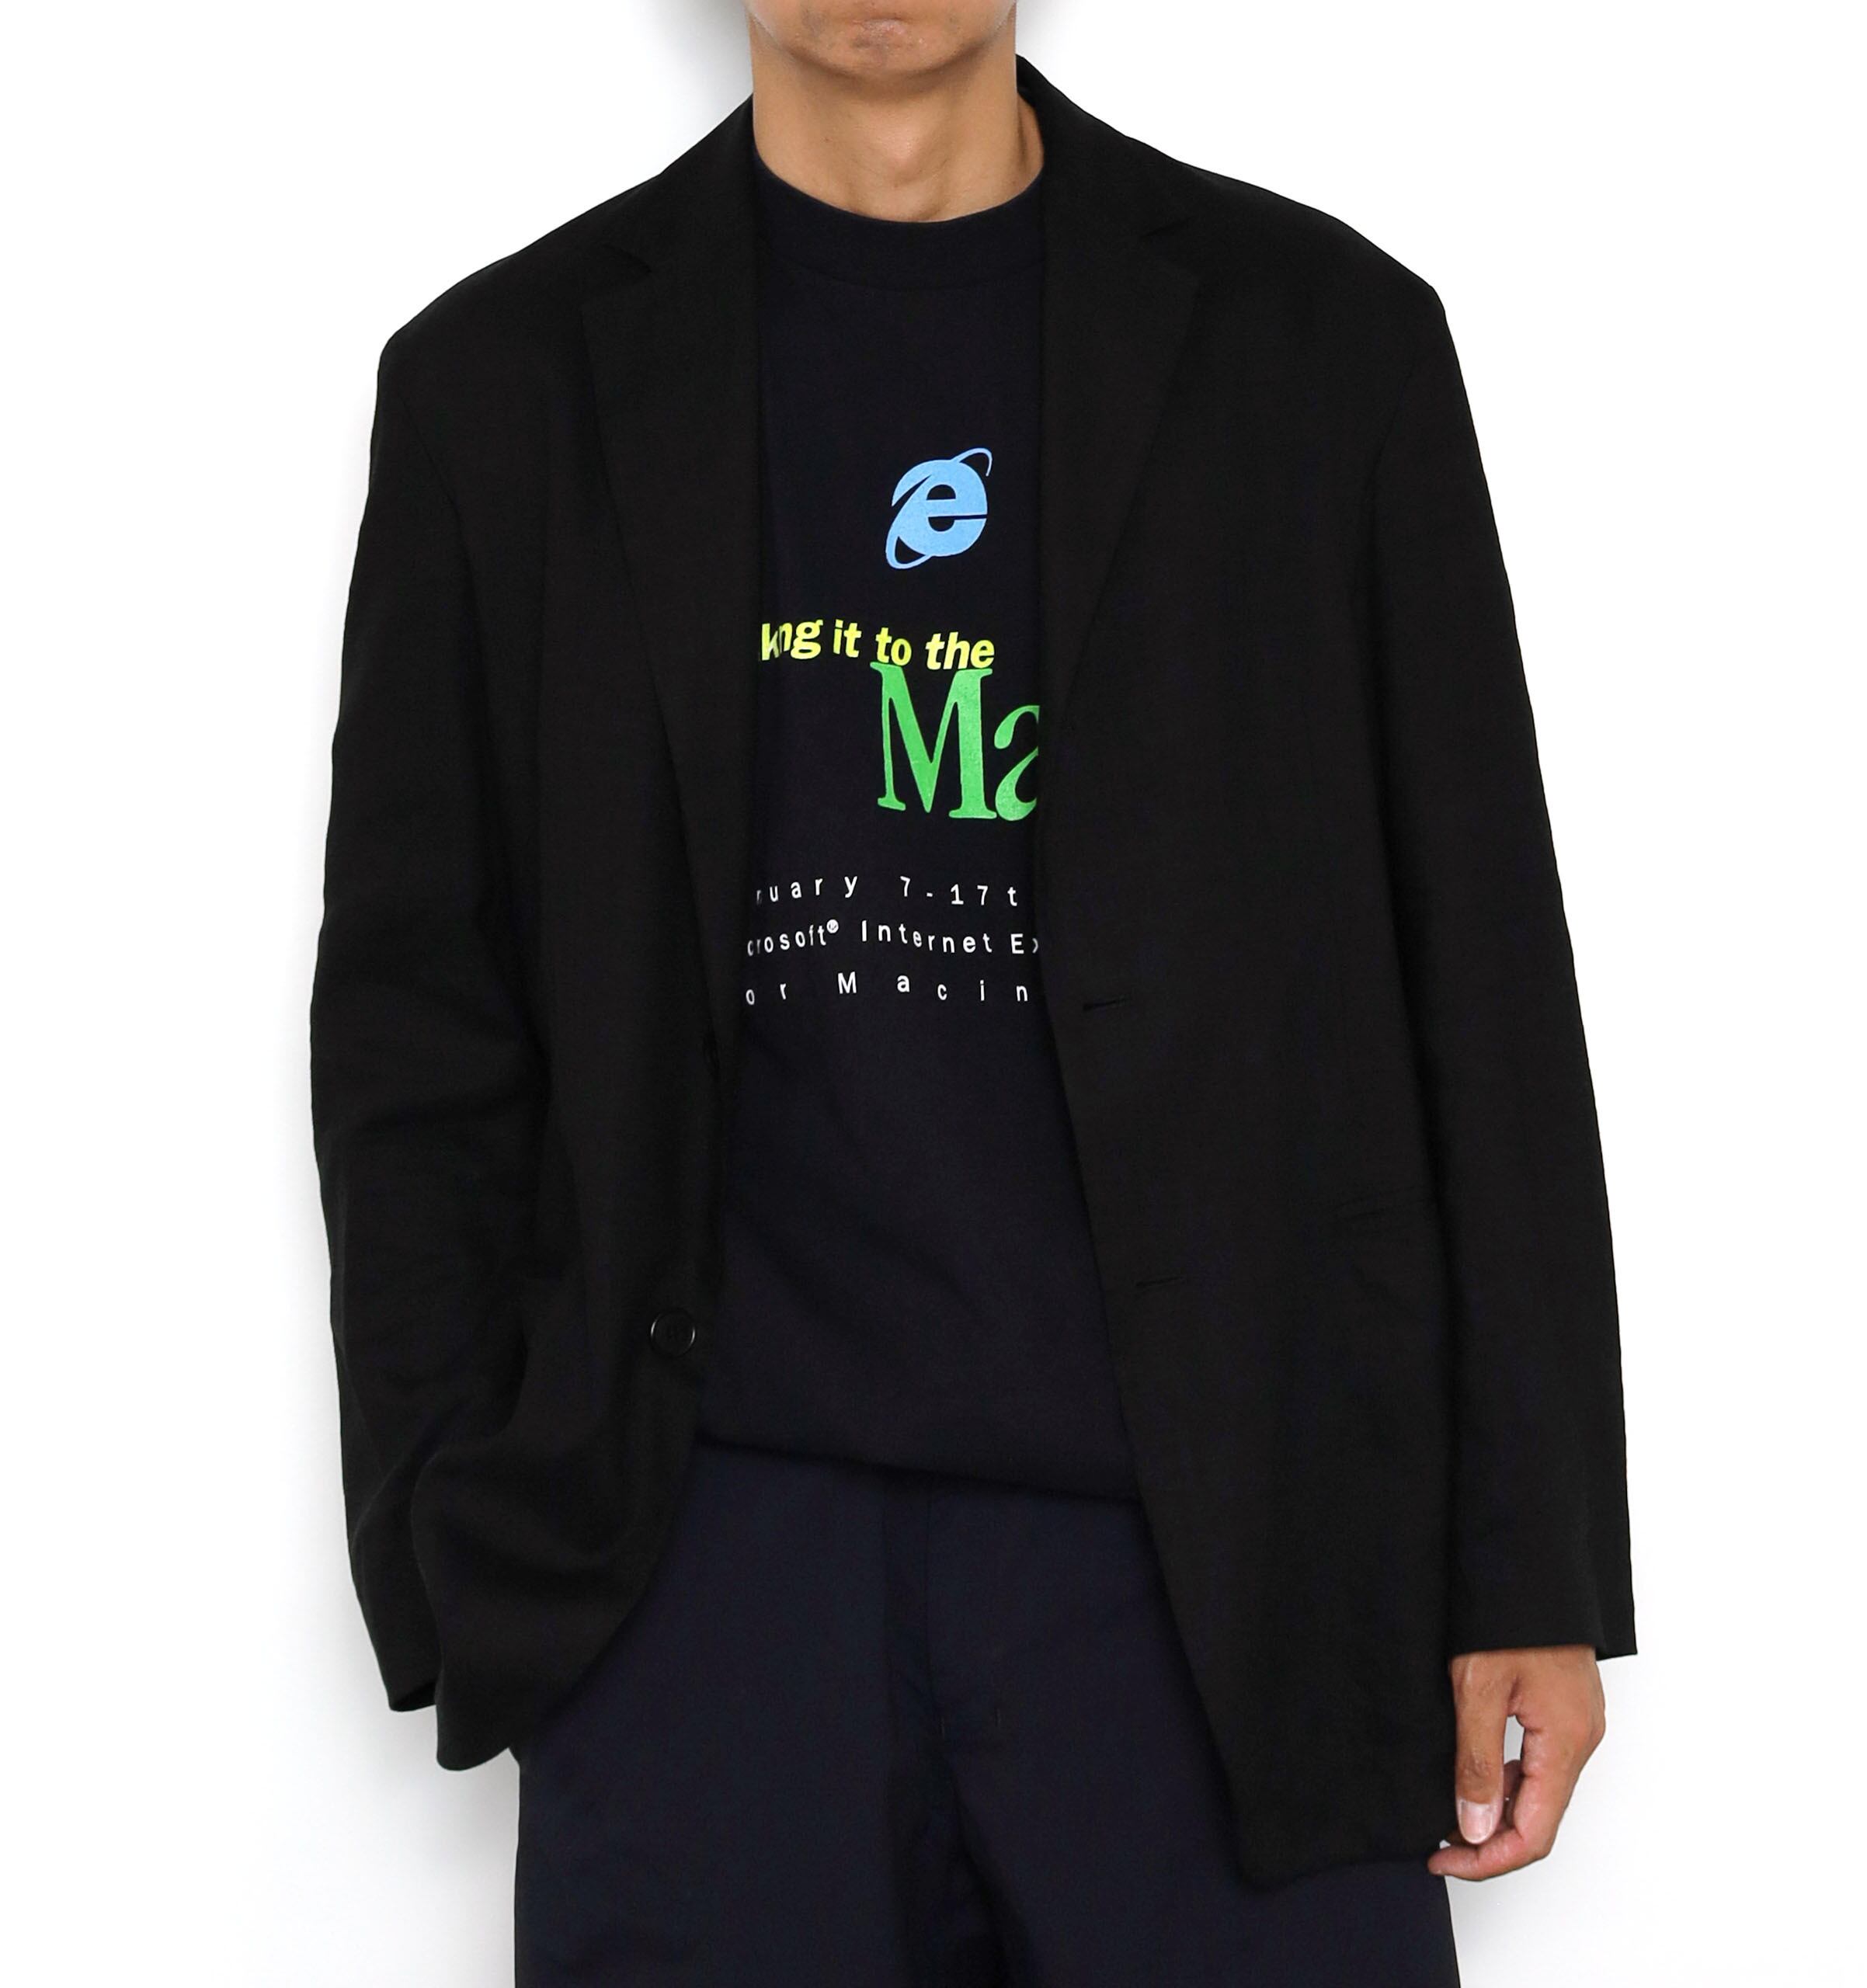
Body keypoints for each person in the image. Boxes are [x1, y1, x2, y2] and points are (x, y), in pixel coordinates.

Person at [309, 5, 1633, 1981]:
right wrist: (458, 1538)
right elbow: (417, 1022)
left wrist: (1527, 1559)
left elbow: (1480, 962)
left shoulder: (1318, 345)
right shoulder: (504, 383)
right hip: (703, 1576)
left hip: (1220, 1564)